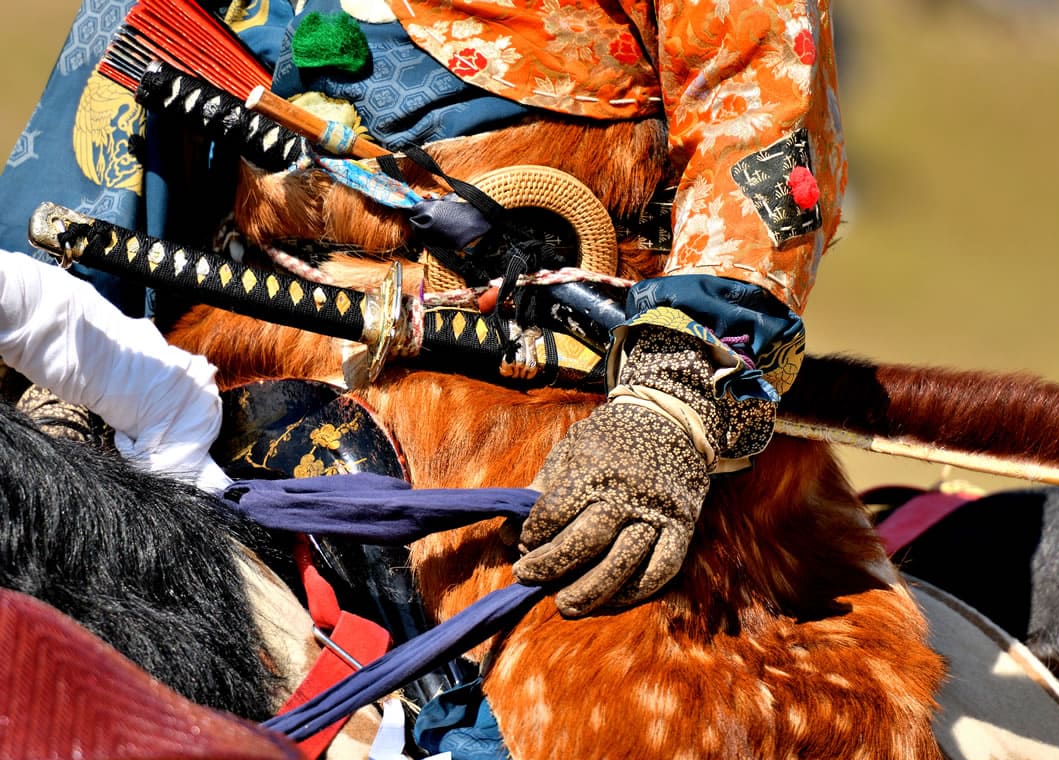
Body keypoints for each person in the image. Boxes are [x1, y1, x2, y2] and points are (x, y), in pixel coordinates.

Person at [0, 0, 847, 617]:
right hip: (216, 344)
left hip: (566, 379)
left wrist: (669, 404)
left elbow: (761, 106)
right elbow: (125, 82)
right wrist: (65, 371)